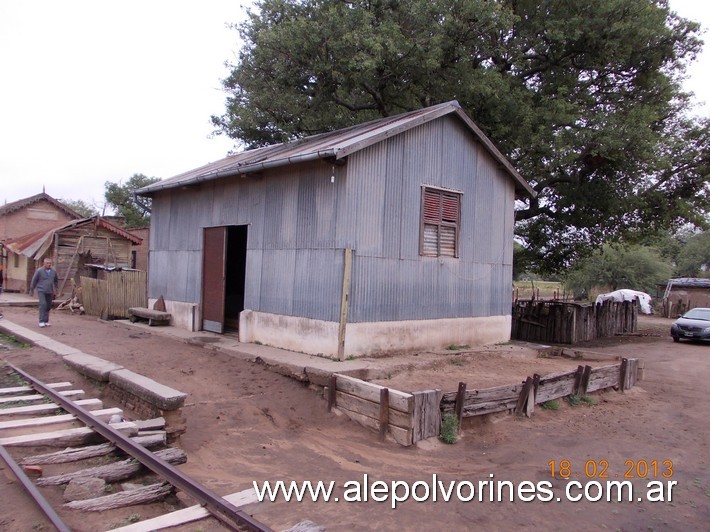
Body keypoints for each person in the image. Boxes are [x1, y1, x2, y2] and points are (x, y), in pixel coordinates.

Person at [29, 257, 58, 327]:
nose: (49, 264)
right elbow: (34, 280)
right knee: (43, 304)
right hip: (41, 290)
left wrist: (56, 289)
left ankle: (46, 320)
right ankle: (41, 321)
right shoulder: (39, 271)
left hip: (50, 291)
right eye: (47, 263)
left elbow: (56, 280)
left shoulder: (53, 271)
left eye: (50, 263)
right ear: (44, 264)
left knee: (48, 306)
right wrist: (31, 289)